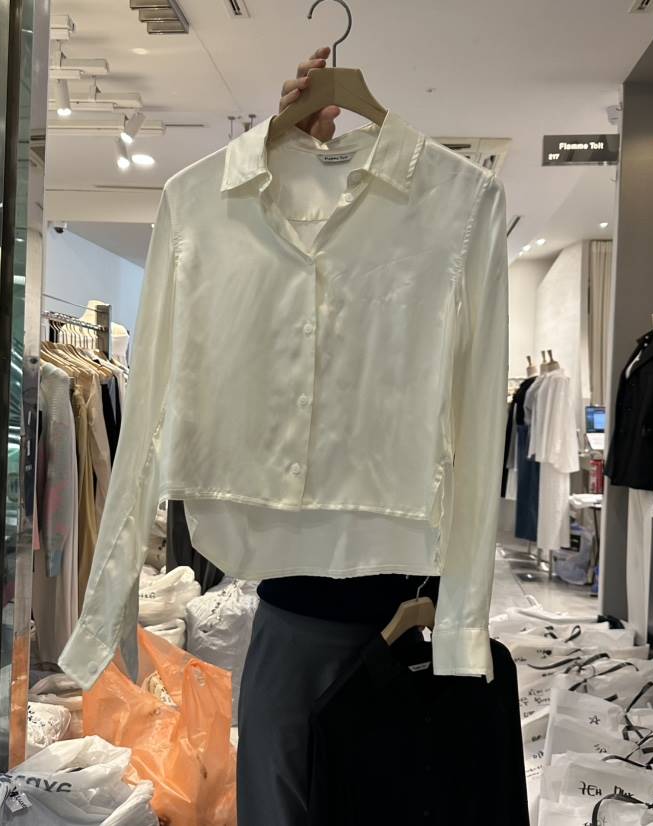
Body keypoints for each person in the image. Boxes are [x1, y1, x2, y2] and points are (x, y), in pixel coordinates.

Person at [235, 46, 441, 826]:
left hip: (408, 615)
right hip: (296, 608)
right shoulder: (264, 244)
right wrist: (283, 166)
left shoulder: (436, 227)